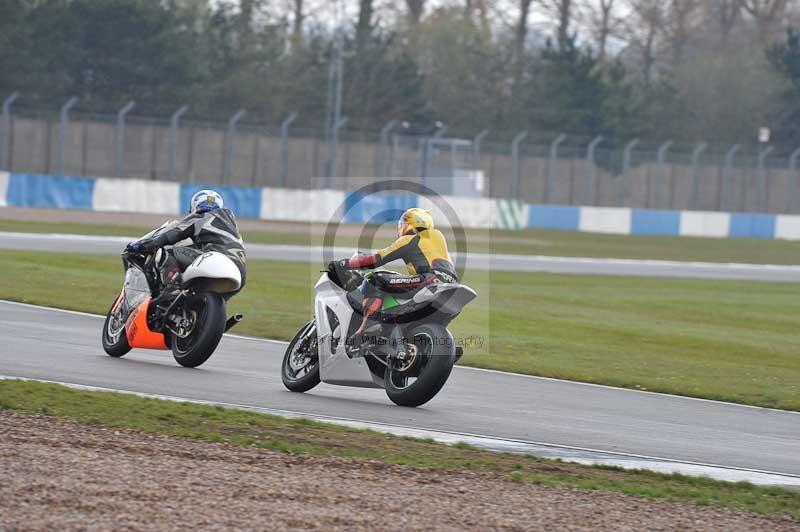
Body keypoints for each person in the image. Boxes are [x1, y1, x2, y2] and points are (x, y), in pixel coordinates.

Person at [333, 207, 457, 339]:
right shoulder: (438, 237)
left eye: (403, 224)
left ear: (410, 225)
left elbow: (376, 259)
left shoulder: (410, 239)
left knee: (375, 278)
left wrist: (345, 264)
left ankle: (369, 324)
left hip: (430, 280)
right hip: (452, 285)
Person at [126, 189, 247, 300]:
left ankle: (172, 289)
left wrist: (142, 245)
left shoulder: (202, 216)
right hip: (239, 273)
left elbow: (171, 235)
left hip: (216, 257)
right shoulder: (231, 225)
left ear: (195, 205)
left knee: (168, 252)